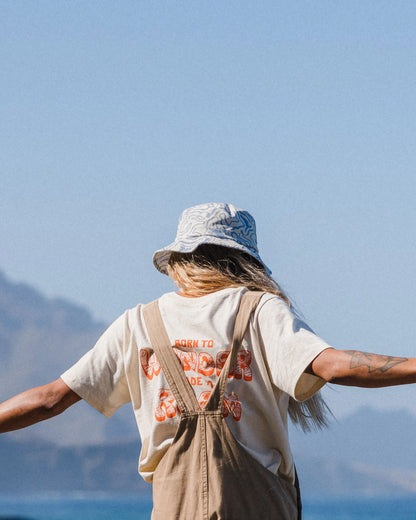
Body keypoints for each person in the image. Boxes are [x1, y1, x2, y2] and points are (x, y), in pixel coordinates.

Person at [1, 202, 415, 519]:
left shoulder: (138, 324)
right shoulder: (259, 309)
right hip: (259, 505)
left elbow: (50, 398)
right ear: (245, 261)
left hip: (172, 508)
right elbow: (335, 366)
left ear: (180, 260)